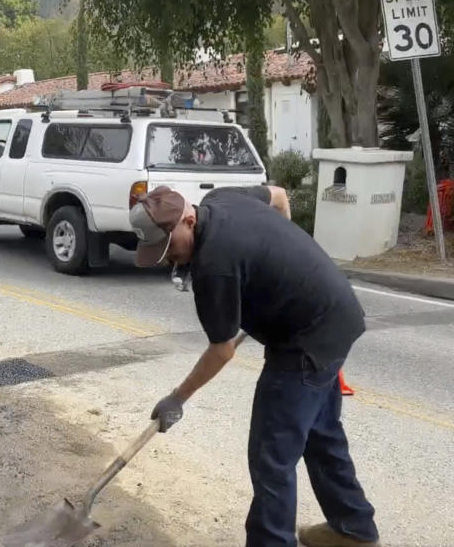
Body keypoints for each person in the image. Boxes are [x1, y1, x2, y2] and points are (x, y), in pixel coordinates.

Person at [130, 185, 378, 547]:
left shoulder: (214, 266)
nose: (171, 259)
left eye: (170, 247)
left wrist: (177, 398)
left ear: (188, 218)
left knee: (271, 456)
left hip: (305, 340)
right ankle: (353, 529)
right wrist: (285, 257)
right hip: (336, 314)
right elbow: (279, 196)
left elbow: (222, 351)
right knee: (320, 434)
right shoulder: (222, 198)